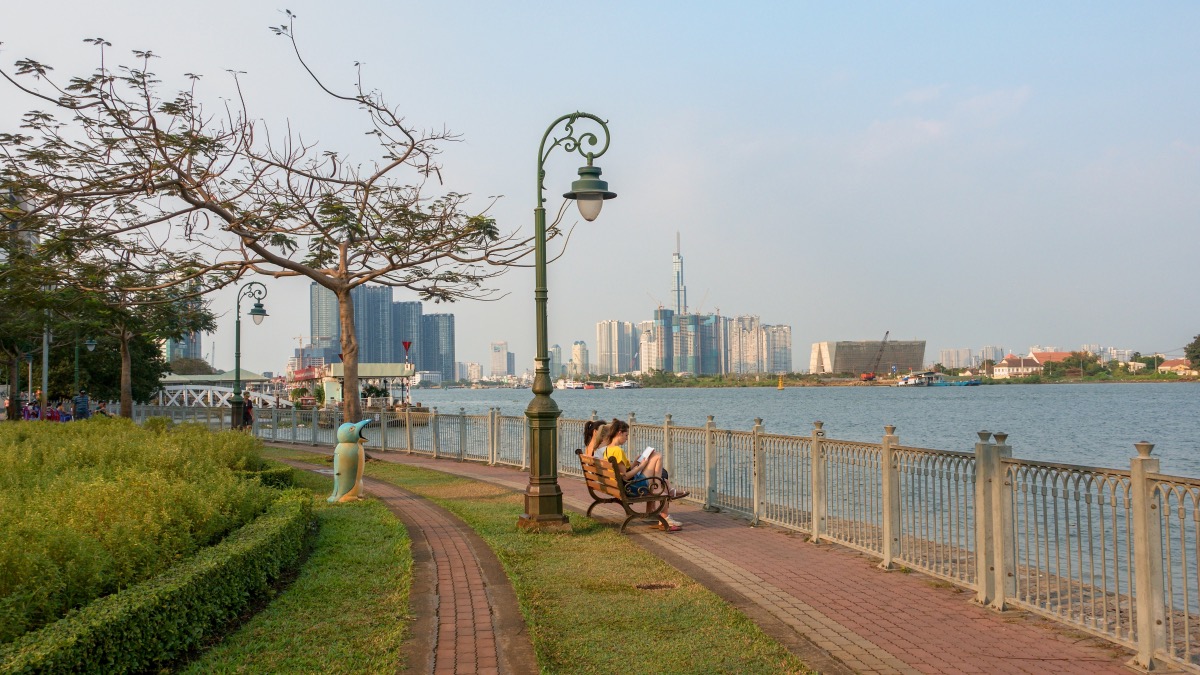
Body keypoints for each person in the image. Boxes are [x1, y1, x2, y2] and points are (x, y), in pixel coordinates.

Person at [599, 419, 688, 530]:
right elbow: (625, 476)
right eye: (626, 435)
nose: (627, 438)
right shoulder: (617, 451)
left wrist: (635, 463)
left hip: (624, 485)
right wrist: (640, 466)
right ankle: (659, 492)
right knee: (658, 457)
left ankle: (661, 489)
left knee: (655, 460)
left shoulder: (608, 450)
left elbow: (622, 473)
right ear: (619, 433)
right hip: (632, 486)